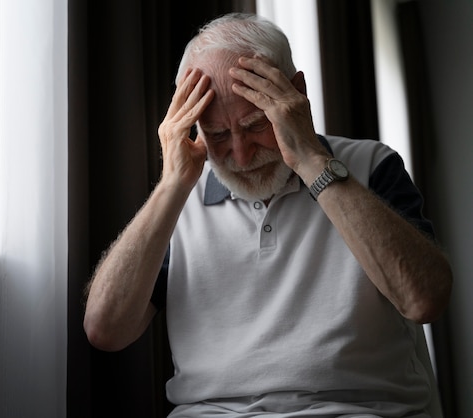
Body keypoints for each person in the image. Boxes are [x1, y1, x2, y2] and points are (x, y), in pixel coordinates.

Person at [83, 12, 453, 418]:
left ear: (295, 94)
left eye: (256, 124)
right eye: (218, 135)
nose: (240, 157)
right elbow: (106, 330)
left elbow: (424, 300)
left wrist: (312, 161)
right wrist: (172, 186)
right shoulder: (177, 200)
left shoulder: (370, 165)